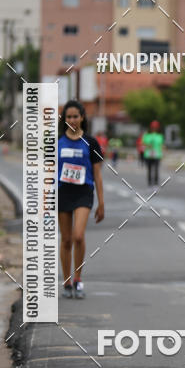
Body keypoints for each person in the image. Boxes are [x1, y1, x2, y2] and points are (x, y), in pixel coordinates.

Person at [58, 100, 104, 299]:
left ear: (82, 117)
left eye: (76, 116)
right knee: (66, 240)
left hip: (84, 192)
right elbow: (47, 171)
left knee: (78, 236)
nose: (72, 120)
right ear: (64, 119)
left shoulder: (91, 143)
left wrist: (101, 203)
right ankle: (66, 282)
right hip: (62, 192)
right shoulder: (56, 142)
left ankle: (78, 279)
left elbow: (98, 174)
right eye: (68, 117)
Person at [142, 120, 164, 186]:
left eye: (156, 127)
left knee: (156, 169)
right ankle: (149, 182)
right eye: (153, 127)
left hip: (157, 155)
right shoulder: (147, 135)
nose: (154, 128)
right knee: (149, 169)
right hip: (148, 154)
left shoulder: (160, 136)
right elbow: (144, 143)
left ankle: (156, 182)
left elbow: (161, 145)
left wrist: (162, 153)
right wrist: (148, 145)